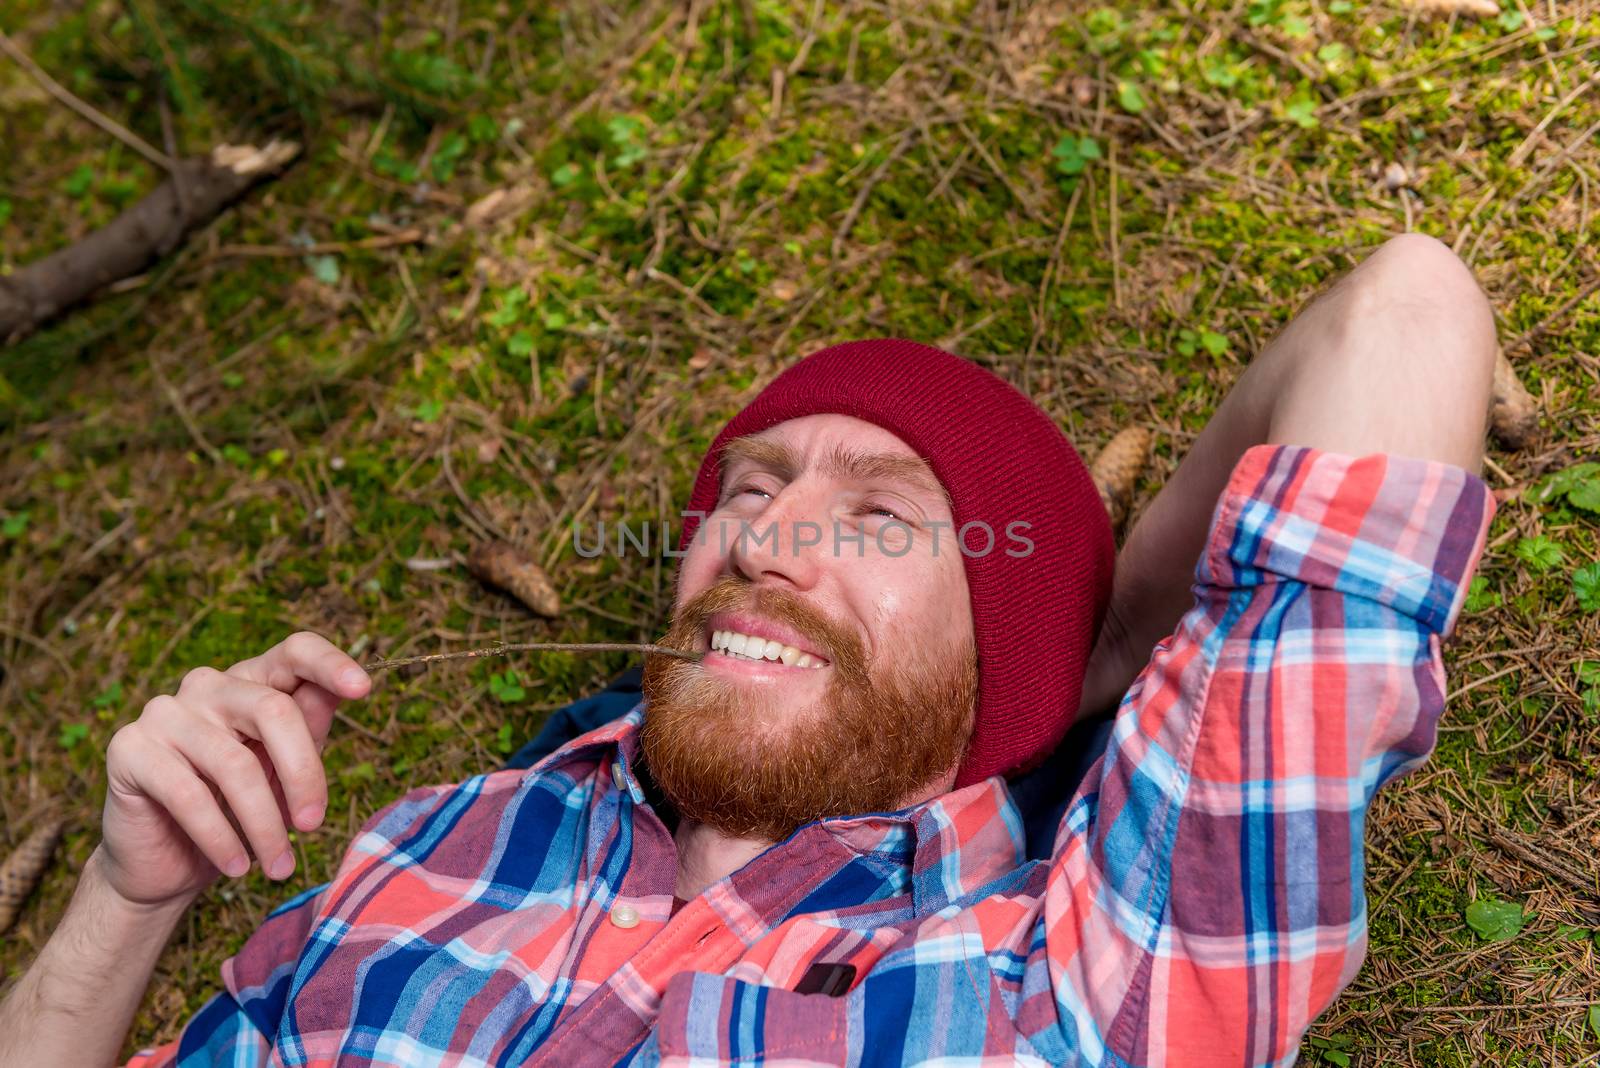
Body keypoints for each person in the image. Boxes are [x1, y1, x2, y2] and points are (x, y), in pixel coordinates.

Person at [0, 233, 1498, 1067]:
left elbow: (1402, 314)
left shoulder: (1087, 975)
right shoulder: (437, 844)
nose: (767, 540)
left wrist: (1097, 641)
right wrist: (124, 903)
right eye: (754, 489)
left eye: (885, 517)